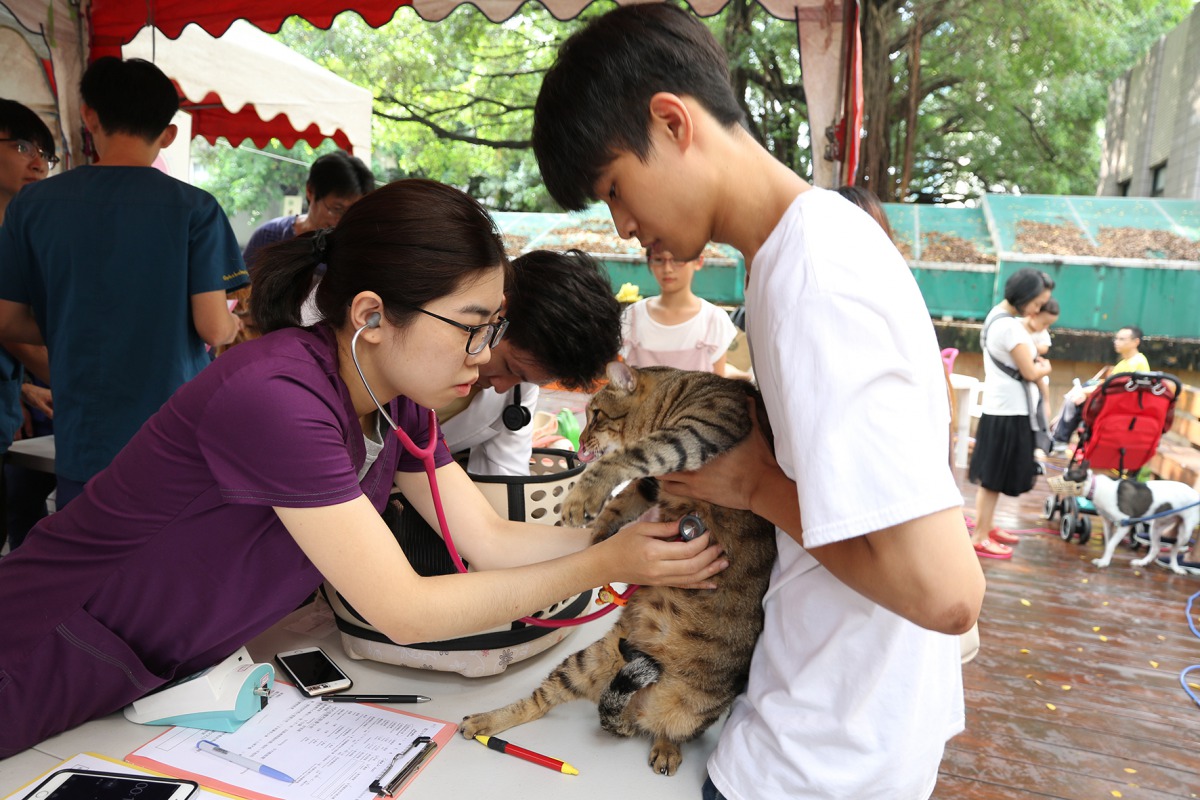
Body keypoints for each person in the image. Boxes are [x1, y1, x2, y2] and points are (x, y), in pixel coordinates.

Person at [0, 178, 726, 756]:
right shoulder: (277, 397)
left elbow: (487, 539)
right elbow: (402, 609)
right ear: (373, 316)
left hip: (158, 666)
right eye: (473, 328)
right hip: (43, 642)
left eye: (495, 328)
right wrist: (610, 560)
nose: (484, 356)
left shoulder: (398, 403)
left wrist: (634, 537)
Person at [531, 6, 984, 799]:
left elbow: (946, 593)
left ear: (670, 122)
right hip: (819, 719)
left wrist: (751, 487)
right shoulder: (795, 260)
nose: (628, 227)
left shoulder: (817, 276)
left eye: (616, 191)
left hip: (819, 760)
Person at [0, 59, 245, 509]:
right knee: (165, 569)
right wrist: (233, 328)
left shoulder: (31, 206)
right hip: (174, 440)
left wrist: (73, 319)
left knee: (88, 561)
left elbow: (10, 322)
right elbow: (212, 328)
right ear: (168, 133)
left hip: (85, 442)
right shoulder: (196, 209)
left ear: (89, 116)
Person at [440, 248, 621, 476]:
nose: (502, 387)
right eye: (508, 367)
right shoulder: (419, 350)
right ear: (497, 311)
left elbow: (505, 474)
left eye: (525, 380)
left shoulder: (518, 391)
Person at [0, 98, 57, 551]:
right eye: (22, 146)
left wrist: (20, 387)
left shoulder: (20, 233)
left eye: (45, 152)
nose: (38, 162)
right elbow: (8, 328)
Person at [969, 268, 1054, 557]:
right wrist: (1046, 367)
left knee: (995, 473)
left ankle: (987, 526)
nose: (1037, 309)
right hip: (1009, 410)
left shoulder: (998, 316)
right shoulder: (1010, 327)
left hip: (1002, 406)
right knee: (993, 476)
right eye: (1036, 302)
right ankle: (980, 535)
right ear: (1024, 296)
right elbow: (1030, 371)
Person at [241, 150, 374, 273]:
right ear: (310, 191)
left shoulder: (355, 250)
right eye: (337, 209)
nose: (342, 220)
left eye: (351, 212)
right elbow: (243, 292)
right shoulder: (269, 237)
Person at [620, 246, 738, 375]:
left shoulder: (714, 320)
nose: (667, 269)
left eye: (677, 260)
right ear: (649, 262)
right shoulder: (632, 316)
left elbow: (719, 385)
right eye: (659, 259)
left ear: (698, 261)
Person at [1049, 324, 1149, 453]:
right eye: (1116, 339)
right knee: (1077, 394)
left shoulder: (1137, 362)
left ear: (1136, 342)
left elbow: (1117, 388)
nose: (1117, 342)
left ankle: (1060, 441)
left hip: (1119, 407)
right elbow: (1111, 384)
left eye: (1122, 339)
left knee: (1074, 400)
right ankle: (1059, 438)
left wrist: (1085, 392)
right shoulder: (1125, 362)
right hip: (1113, 403)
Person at [1024, 296, 1059, 455]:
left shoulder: (1040, 333)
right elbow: (1031, 372)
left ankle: (1041, 446)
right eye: (1044, 323)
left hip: (1037, 377)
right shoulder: (1016, 329)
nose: (1045, 327)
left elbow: (1044, 348)